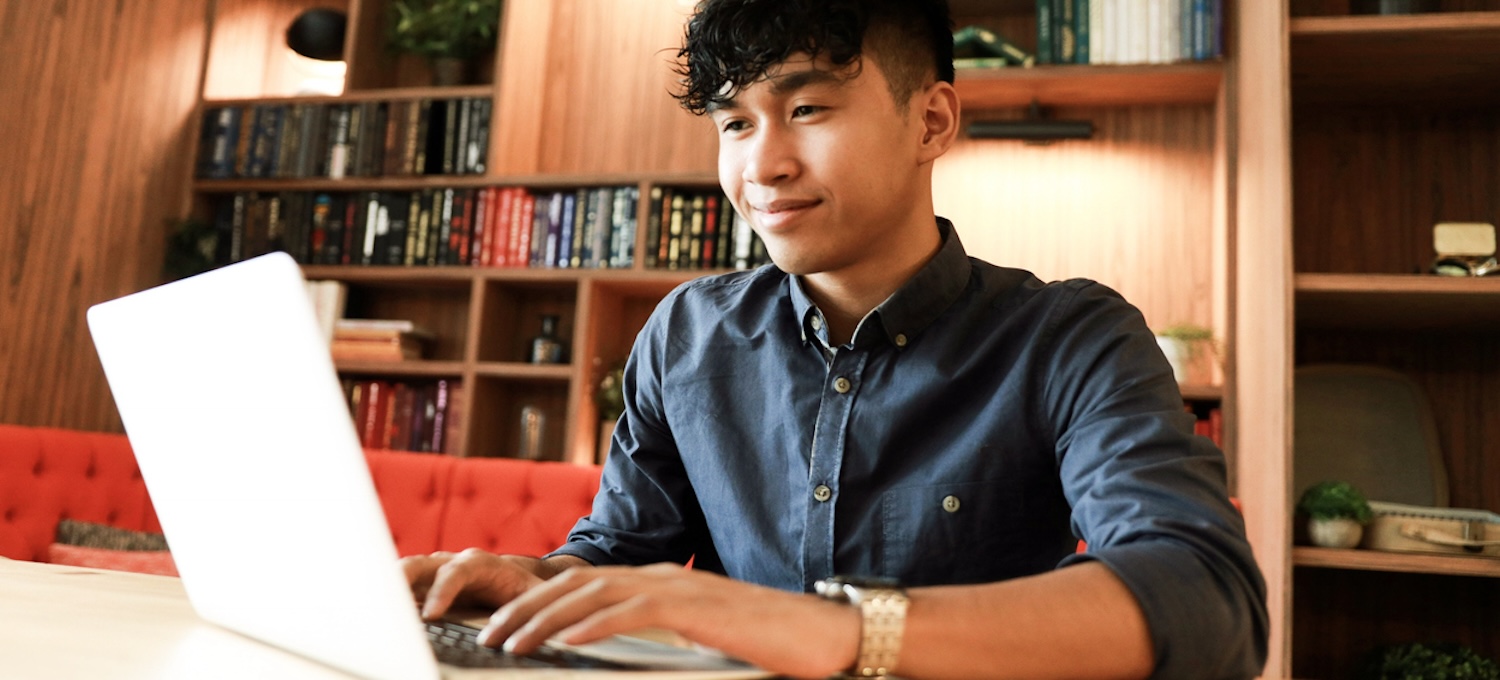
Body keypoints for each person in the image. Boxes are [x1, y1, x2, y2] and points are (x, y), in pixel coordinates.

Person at [402, 1, 1268, 678]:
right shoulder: (688, 333)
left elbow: (1206, 599)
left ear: (931, 122)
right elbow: (625, 551)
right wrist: (534, 579)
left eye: (807, 106)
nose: (762, 165)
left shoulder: (1069, 338)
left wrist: (839, 630)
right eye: (735, 123)